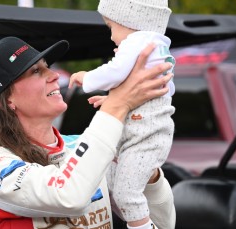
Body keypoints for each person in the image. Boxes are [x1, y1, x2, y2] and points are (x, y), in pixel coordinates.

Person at [0, 36, 175, 229]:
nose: (55, 75)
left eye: (47, 67)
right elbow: (68, 196)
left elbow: (161, 223)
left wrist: (147, 172)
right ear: (8, 99)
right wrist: (118, 104)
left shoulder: (80, 146)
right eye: (36, 71)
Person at [68, 1, 176, 228]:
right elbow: (160, 93)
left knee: (126, 194)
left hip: (143, 137)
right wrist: (113, 101)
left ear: (130, 21)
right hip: (148, 134)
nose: (111, 38)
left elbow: (114, 71)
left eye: (111, 27)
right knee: (121, 189)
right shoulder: (157, 46)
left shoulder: (137, 42)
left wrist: (86, 78)